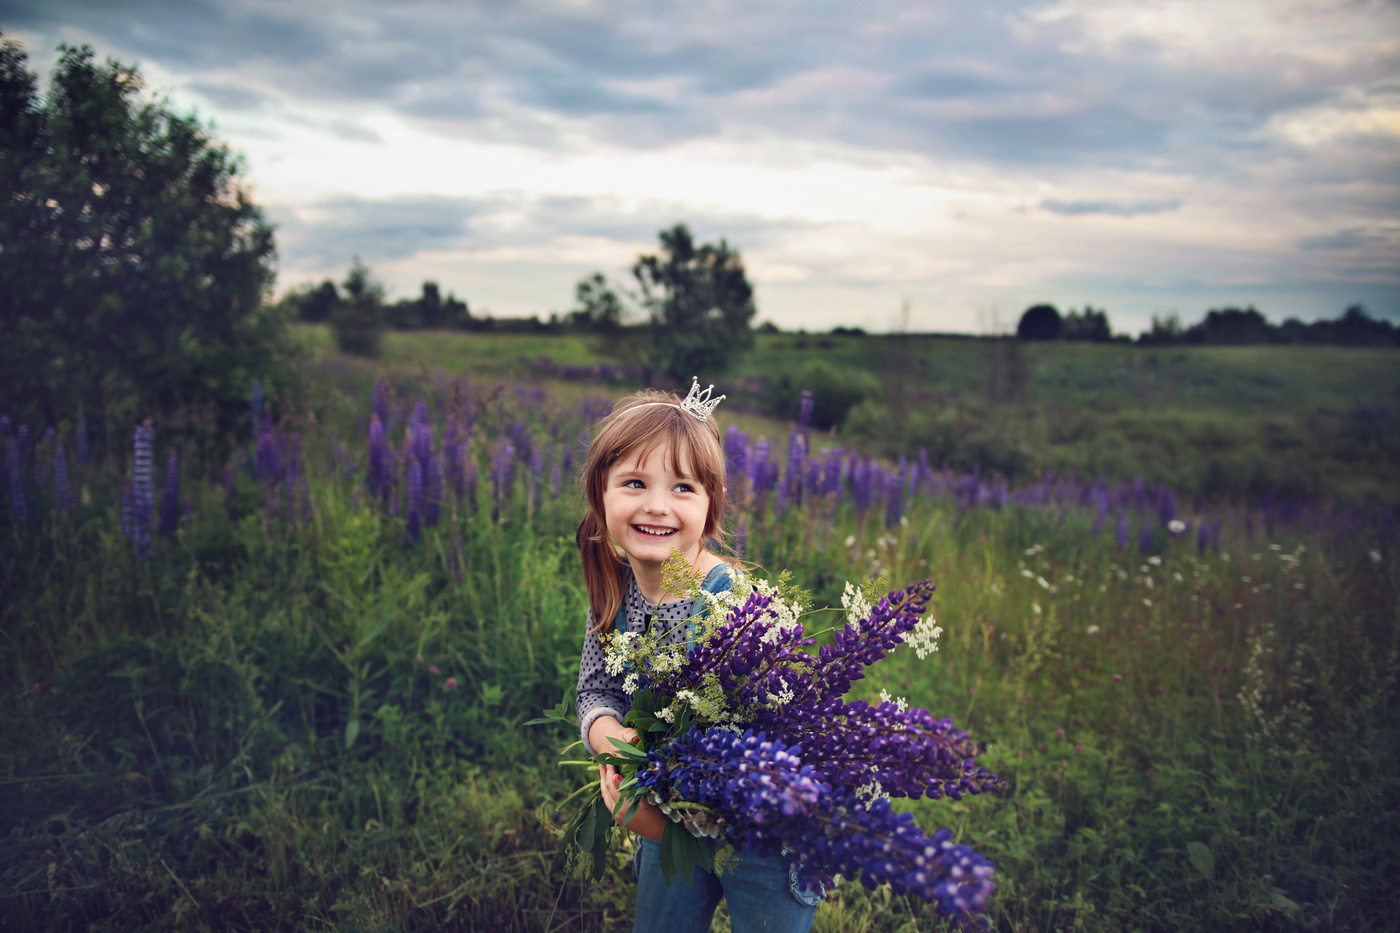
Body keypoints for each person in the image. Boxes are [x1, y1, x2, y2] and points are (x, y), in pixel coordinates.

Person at [574, 381, 823, 933]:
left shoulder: (731, 601)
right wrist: (616, 743)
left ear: (711, 508)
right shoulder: (616, 589)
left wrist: (656, 803)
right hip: (667, 813)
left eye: (683, 487)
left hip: (766, 835)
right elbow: (595, 690)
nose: (656, 505)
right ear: (601, 496)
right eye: (634, 482)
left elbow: (772, 739)